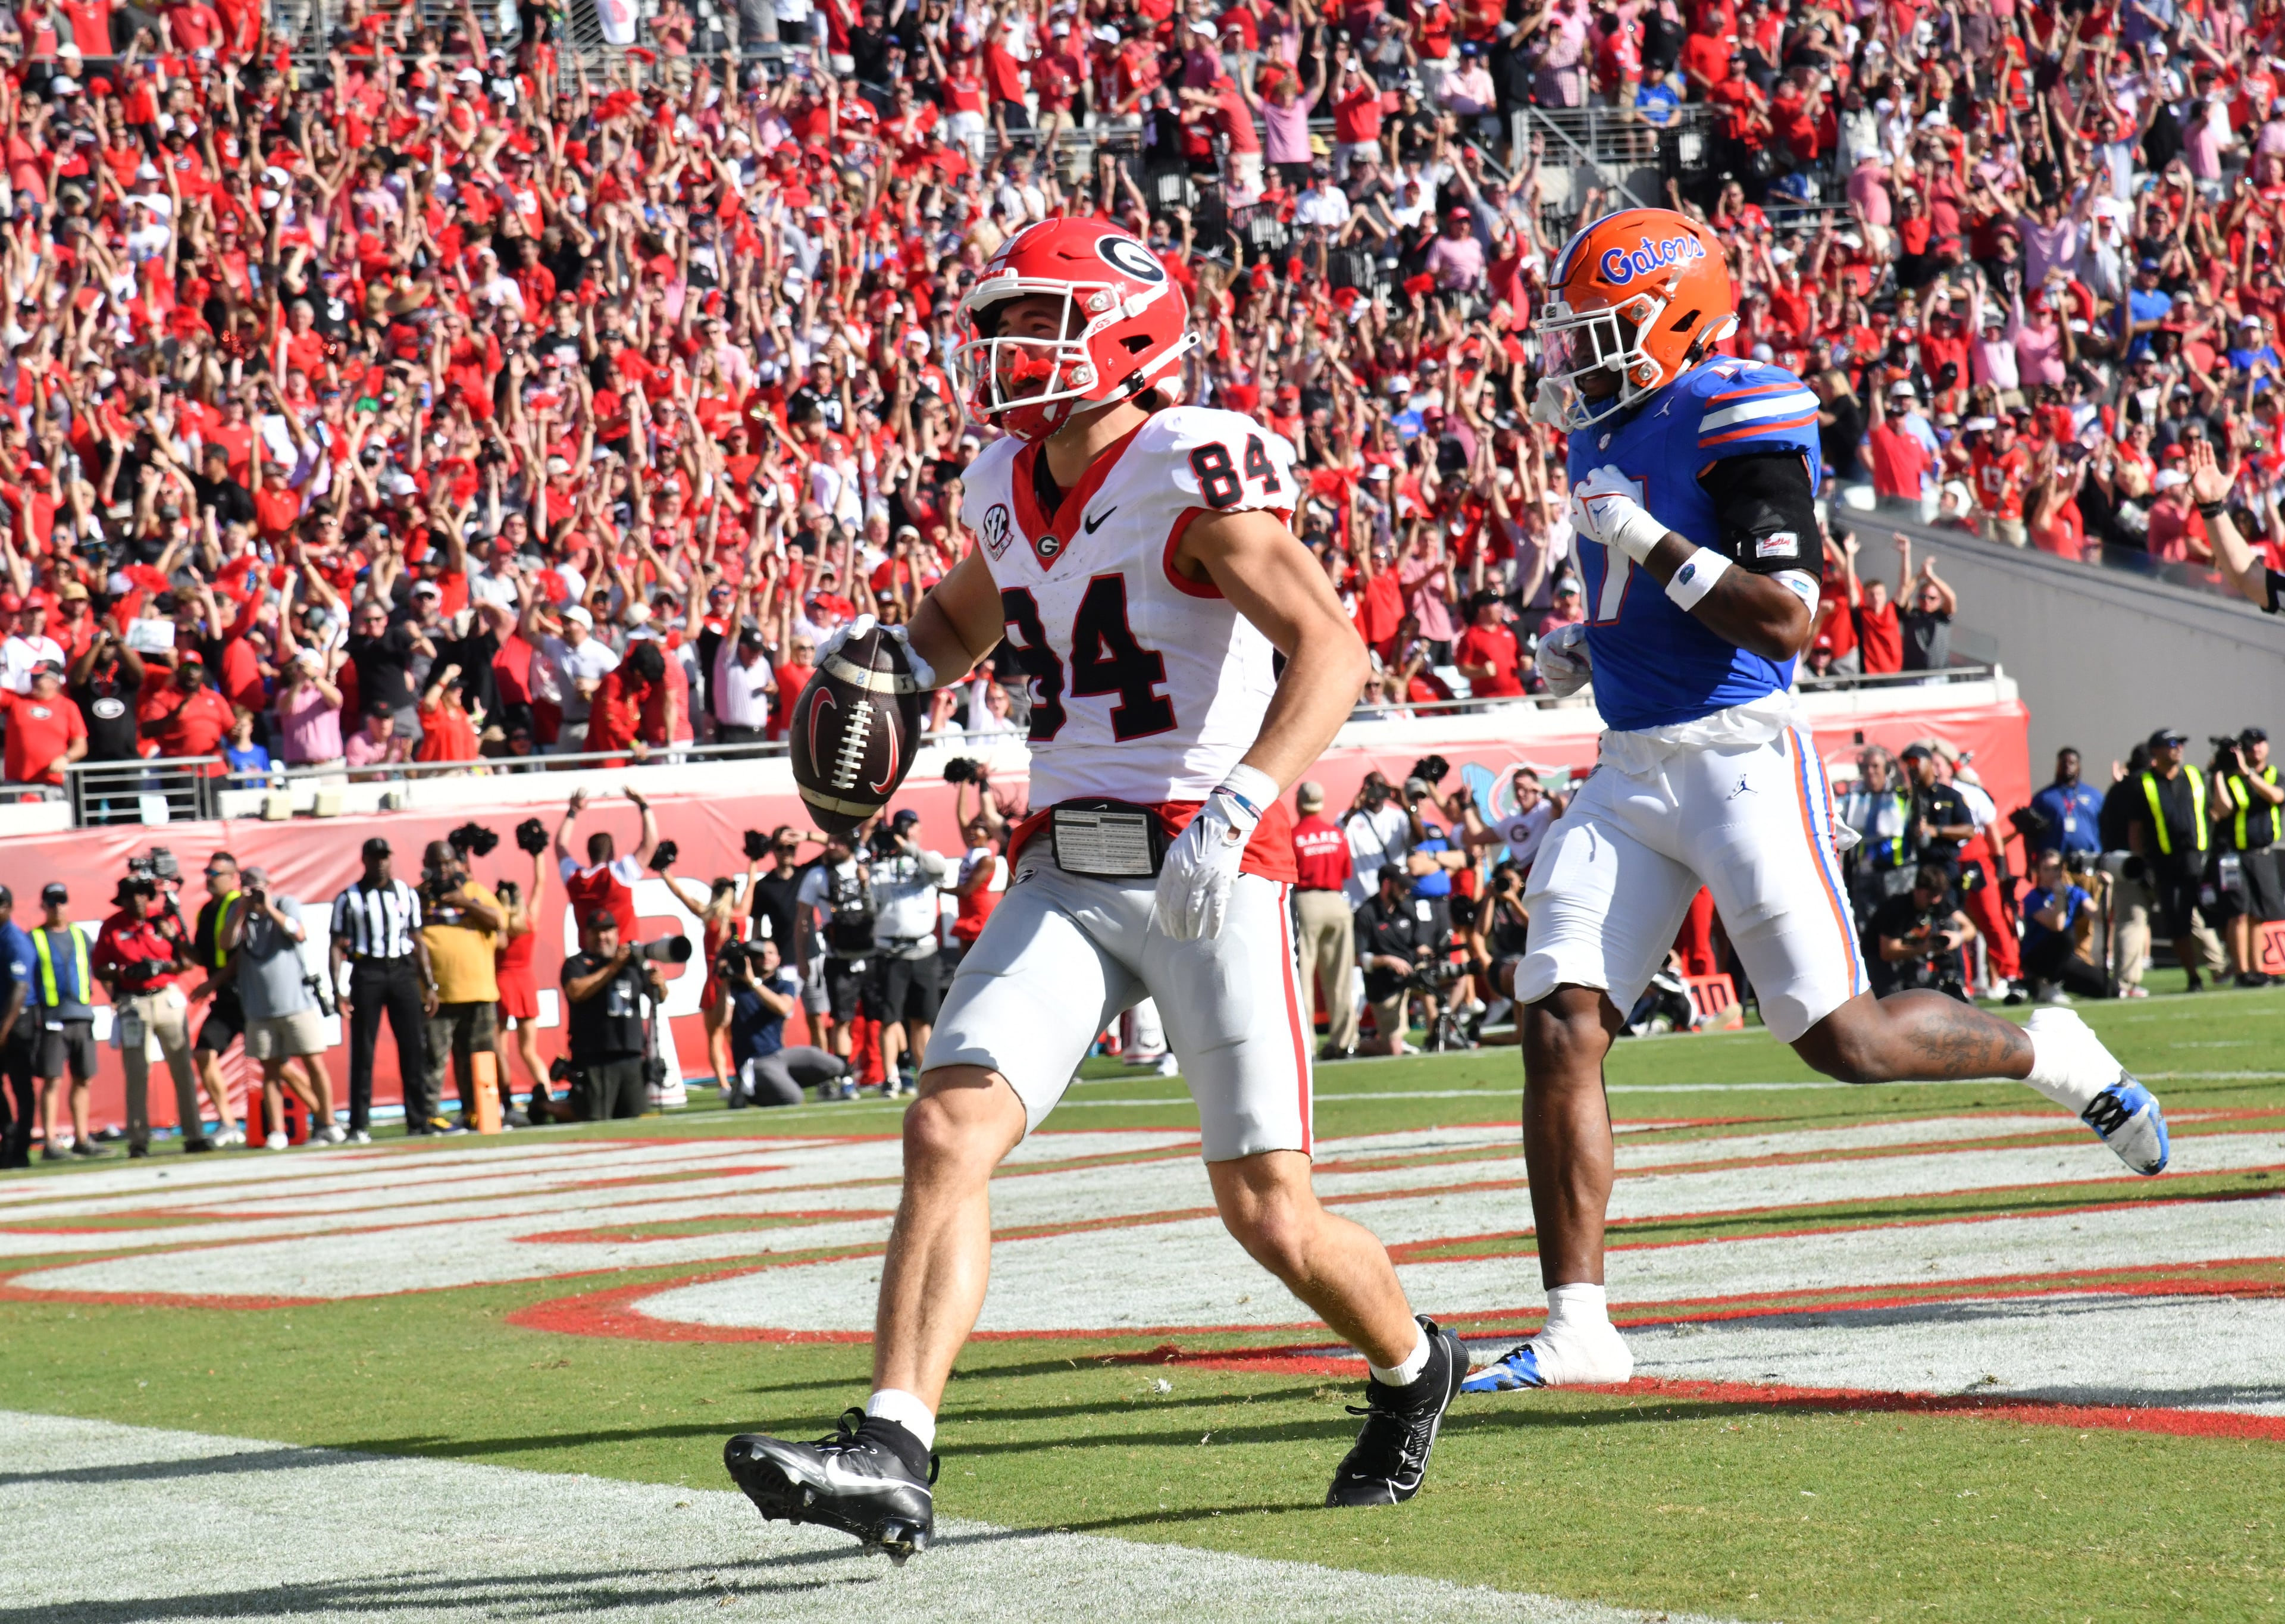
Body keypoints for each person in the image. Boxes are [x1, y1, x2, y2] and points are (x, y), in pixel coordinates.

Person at [725, 220, 1465, 1560]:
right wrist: (888, 667)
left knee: (1269, 1210)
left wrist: (1247, 794)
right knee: (947, 1129)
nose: (1011, 356)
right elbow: (966, 616)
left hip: (1212, 861)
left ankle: (1415, 1363)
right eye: (1004, 328)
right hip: (1068, 860)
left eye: (1041, 326)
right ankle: (894, 1442)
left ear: (1128, 338)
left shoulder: (1191, 462)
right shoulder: (1008, 476)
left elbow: (1332, 646)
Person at [1464, 207, 2168, 1401]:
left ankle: (2049, 1044)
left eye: (1604, 329)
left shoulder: (1736, 414)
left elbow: (1789, 622)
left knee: (1845, 1040)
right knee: (1559, 1018)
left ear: (1676, 319)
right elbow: (1654, 597)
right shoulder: (1603, 428)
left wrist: (1636, 536)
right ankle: (1580, 1322)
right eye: (1571, 332)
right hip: (1631, 764)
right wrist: (1595, 648)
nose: (1575, 355)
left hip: (1742, 756)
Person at [224, 865, 344, 1146]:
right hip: (259, 1007)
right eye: (246, 884)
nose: (252, 890)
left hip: (295, 1003)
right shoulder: (240, 912)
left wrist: (269, 908)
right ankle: (277, 1131)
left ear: (269, 884)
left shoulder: (284, 903)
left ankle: (327, 1123)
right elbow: (226, 943)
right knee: (270, 1070)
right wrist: (241, 911)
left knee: (314, 1062)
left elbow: (298, 933)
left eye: (256, 884)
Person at [329, 837, 437, 1141]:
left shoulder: (406, 893)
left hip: (402, 971)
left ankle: (419, 1119)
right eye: (375, 858)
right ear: (364, 860)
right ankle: (359, 1124)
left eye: (385, 857)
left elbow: (418, 940)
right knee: (363, 1050)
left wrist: (429, 985)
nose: (381, 863)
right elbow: (336, 946)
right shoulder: (349, 898)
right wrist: (338, 989)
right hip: (368, 971)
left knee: (414, 1047)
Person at [92, 875, 205, 1157]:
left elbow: (188, 960)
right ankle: (139, 1141)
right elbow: (99, 967)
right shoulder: (113, 926)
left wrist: (162, 965)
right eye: (131, 896)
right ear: (123, 900)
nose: (138, 900)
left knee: (182, 1068)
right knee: (137, 1073)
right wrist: (123, 973)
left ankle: (195, 1135)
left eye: (143, 894)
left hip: (165, 996)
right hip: (133, 1001)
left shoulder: (163, 920)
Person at [2127, 728, 2229, 994]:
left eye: (2181, 743)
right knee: (2178, 924)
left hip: (2201, 862)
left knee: (2220, 913)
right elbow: (2136, 828)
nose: (2178, 748)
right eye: (2172, 744)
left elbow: (2218, 810)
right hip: (2166, 864)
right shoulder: (2145, 783)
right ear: (2156, 751)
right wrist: (2140, 862)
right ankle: (2193, 976)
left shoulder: (2195, 776)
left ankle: (2232, 968)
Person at [417, 839, 507, 1131]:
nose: (442, 870)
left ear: (457, 864)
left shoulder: (475, 892)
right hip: (438, 994)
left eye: (447, 863)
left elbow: (498, 922)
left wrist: (466, 903)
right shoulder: (417, 898)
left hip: (478, 991)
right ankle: (429, 1116)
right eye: (435, 864)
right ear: (425, 867)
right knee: (434, 1059)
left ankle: (481, 1112)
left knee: (479, 1058)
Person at [863, 811, 954, 1097]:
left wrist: (909, 848)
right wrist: (865, 879)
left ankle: (925, 1075)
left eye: (911, 827)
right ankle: (890, 1077)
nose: (906, 833)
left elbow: (940, 870)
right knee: (889, 1018)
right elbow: (871, 905)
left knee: (922, 1019)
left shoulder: (927, 858)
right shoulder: (880, 865)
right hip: (890, 951)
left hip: (923, 949)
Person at [659, 846, 765, 1096]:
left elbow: (680, 894)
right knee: (736, 1034)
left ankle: (724, 1085)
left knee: (716, 1036)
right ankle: (743, 1076)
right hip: (740, 979)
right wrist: (753, 859)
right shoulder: (741, 915)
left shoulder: (710, 916)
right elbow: (751, 886)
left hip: (717, 983)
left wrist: (664, 871)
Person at [541, 910, 662, 1122]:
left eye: (607, 931)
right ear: (586, 935)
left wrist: (660, 984)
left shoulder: (633, 964)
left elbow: (658, 997)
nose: (602, 937)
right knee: (593, 1118)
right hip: (595, 1056)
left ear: (616, 933)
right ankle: (543, 1106)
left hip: (631, 1054)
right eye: (596, 932)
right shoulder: (577, 964)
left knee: (636, 1118)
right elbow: (576, 991)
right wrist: (613, 967)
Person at [721, 937, 850, 1106]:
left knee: (836, 1066)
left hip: (780, 1054)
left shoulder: (783, 985)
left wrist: (753, 982)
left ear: (779, 959)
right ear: (750, 958)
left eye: (771, 953)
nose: (766, 957)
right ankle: (746, 1090)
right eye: (760, 954)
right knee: (793, 1098)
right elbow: (722, 1021)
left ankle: (774, 1083)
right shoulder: (737, 987)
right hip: (755, 1061)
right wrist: (724, 982)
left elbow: (783, 1008)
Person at [1292, 781, 1361, 1060]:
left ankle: (1306, 1045)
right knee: (1341, 977)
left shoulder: (1294, 835)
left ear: (1299, 803)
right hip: (1336, 901)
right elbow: (1346, 870)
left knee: (1302, 978)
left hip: (1306, 902)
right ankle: (1346, 1041)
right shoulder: (1336, 834)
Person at [2213, 728, 2284, 987]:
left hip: (2263, 854)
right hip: (2234, 857)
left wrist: (2249, 774)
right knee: (2239, 912)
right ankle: (2243, 972)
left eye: (2260, 744)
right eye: (2250, 745)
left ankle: (2261, 969)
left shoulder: (2275, 776)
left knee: (2260, 914)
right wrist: (2220, 774)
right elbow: (2222, 810)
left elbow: (2276, 796)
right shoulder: (2230, 778)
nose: (2256, 749)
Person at [187, 853, 248, 1149]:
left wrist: (213, 981)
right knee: (204, 1053)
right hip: (225, 997)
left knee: (278, 1063)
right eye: (207, 873)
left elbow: (240, 953)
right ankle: (228, 1123)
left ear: (232, 876)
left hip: (245, 992)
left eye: (215, 874)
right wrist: (177, 941)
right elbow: (201, 955)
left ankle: (322, 1116)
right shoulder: (206, 910)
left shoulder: (239, 904)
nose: (209, 879)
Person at [1861, 863, 1978, 999]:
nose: (1934, 900)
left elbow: (1970, 929)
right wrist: (1924, 948)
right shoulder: (1897, 909)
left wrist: (1957, 937)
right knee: (1893, 997)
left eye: (1938, 895)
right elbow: (1887, 952)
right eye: (1930, 895)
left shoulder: (1939, 902)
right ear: (1917, 889)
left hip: (1911, 958)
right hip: (1879, 960)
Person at [555, 787, 659, 938]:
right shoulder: (620, 875)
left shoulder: (574, 878)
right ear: (612, 853)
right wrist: (643, 804)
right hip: (624, 955)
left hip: (589, 957)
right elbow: (651, 843)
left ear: (589, 853)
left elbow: (560, 845)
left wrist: (573, 811)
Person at [495, 837, 549, 1121]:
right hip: (526, 983)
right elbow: (540, 884)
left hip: (502, 984)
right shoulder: (529, 921)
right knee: (530, 1051)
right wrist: (538, 853)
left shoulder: (498, 925)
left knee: (500, 1049)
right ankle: (548, 1095)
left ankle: (507, 1105)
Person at [1354, 863, 1429, 1056]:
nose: (1406, 890)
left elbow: (1419, 943)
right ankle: (1357, 1045)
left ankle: (1436, 1034)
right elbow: (1358, 959)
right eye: (1402, 885)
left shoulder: (1407, 906)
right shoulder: (1366, 913)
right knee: (1394, 1051)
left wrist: (1427, 953)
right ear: (1387, 884)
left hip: (1412, 975)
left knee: (1443, 977)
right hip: (1384, 985)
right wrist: (1388, 960)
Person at [2018, 850, 2112, 1003]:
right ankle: (2045, 984)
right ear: (2038, 872)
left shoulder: (2075, 892)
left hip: (2065, 957)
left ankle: (2060, 984)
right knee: (2065, 935)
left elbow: (2099, 916)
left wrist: (2107, 889)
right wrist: (2060, 898)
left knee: (2109, 989)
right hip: (2038, 957)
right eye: (2046, 869)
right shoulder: (2033, 897)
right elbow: (2057, 925)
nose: (2051, 874)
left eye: (2055, 869)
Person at [0, 885, 39, 1168]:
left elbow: (20, 988)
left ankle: (20, 1149)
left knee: (21, 1086)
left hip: (18, 1021)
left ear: (8, 907)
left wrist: (3, 1030)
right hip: (4, 1018)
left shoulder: (14, 939)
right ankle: (9, 1136)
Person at [2026, 748, 2106, 862]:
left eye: (2072, 763)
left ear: (2079, 766)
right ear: (2057, 765)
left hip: (2089, 861)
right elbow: (2030, 834)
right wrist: (2030, 862)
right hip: (2055, 864)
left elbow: (2107, 827)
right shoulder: (2044, 798)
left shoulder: (2094, 796)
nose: (2068, 766)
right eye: (2064, 763)